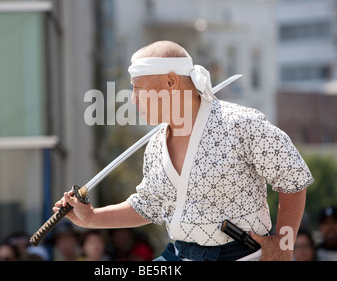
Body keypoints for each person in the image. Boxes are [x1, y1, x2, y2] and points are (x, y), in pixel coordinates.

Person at [53, 40, 314, 261]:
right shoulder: (155, 144)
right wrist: (91, 217)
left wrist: (283, 242)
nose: (132, 98)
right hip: (179, 254)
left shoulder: (241, 124)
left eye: (138, 87)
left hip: (240, 254)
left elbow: (292, 177)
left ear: (170, 82)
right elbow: (150, 206)